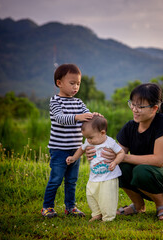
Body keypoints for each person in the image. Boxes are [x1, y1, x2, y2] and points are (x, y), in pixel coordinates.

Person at [86, 83, 163, 220]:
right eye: (132, 105)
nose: (134, 109)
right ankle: (138, 205)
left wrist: (123, 158)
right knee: (118, 166)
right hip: (146, 179)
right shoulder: (130, 127)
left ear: (154, 108)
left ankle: (162, 206)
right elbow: (116, 153)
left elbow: (158, 160)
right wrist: (95, 153)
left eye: (140, 107)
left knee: (140, 170)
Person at [41, 63, 97, 218]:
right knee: (56, 179)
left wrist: (94, 116)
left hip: (76, 150)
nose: (76, 87)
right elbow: (60, 118)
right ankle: (47, 207)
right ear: (59, 83)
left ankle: (70, 207)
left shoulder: (78, 102)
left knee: (72, 180)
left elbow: (87, 116)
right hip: (59, 149)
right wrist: (78, 117)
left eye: (78, 83)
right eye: (72, 83)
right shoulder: (55, 101)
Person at [66, 115, 125, 222]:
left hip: (108, 177)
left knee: (107, 198)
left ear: (102, 133)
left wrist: (115, 162)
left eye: (90, 137)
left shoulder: (110, 142)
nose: (88, 140)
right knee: (91, 195)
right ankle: (97, 213)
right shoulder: (89, 141)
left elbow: (121, 153)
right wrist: (74, 158)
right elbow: (81, 148)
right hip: (94, 176)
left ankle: (108, 217)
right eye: (86, 138)